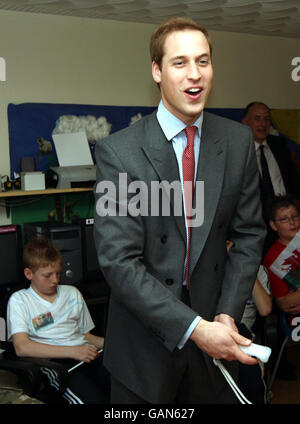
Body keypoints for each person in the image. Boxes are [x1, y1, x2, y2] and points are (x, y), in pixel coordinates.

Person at [93, 17, 266, 404]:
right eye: (180, 62)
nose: (195, 75)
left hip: (215, 347)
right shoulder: (118, 153)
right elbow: (119, 261)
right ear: (156, 71)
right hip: (143, 353)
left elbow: (251, 233)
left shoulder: (237, 141)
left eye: (203, 61)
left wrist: (226, 313)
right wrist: (193, 328)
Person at [6, 237, 110, 404]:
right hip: (55, 364)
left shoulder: (72, 293)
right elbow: (21, 347)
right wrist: (72, 351)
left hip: (87, 355)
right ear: (29, 274)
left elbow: (86, 336)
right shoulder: (20, 300)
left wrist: (111, 344)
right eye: (47, 275)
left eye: (58, 273)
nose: (55, 280)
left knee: (124, 389)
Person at [242, 102, 300, 251]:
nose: (263, 124)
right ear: (245, 122)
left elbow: (292, 178)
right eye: (257, 119)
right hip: (257, 226)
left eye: (267, 119)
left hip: (288, 222)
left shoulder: (279, 144)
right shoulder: (239, 152)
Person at [263, 195, 300, 380]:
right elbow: (285, 304)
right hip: (294, 318)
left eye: (295, 216)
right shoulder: (273, 257)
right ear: (273, 225)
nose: (292, 223)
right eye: (284, 219)